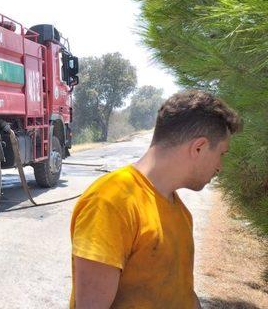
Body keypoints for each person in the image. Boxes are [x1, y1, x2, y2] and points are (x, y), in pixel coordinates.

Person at [70, 90, 241, 309]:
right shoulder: (110, 202)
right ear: (198, 148)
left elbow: (182, 295)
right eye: (221, 154)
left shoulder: (180, 212)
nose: (220, 167)